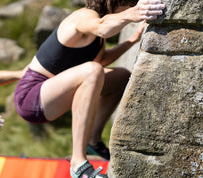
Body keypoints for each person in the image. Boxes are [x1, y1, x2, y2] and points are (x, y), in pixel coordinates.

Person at [13, 0, 165, 177]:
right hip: (31, 97)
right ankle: (78, 163)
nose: (132, 6)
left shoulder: (97, 34)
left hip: (52, 93)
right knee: (92, 71)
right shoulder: (84, 16)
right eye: (130, 3)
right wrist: (132, 14)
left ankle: (92, 141)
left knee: (121, 77)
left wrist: (131, 40)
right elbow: (102, 27)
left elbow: (101, 61)